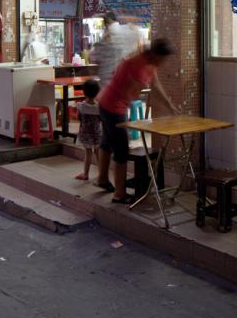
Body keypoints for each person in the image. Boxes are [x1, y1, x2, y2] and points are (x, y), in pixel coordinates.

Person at [95, 39, 181, 203]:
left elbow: (155, 85)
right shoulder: (139, 66)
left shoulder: (149, 61)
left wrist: (170, 106)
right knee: (121, 149)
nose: (165, 62)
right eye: (164, 58)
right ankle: (119, 194)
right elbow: (131, 94)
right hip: (114, 107)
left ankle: (102, 179)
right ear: (157, 55)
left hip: (106, 102)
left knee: (107, 142)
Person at [74, 79, 102, 182]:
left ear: (84, 92)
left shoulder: (81, 106)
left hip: (86, 134)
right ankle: (101, 174)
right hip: (97, 133)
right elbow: (101, 119)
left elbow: (78, 118)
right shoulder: (99, 107)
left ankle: (85, 174)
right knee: (98, 153)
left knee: (88, 153)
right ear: (97, 92)